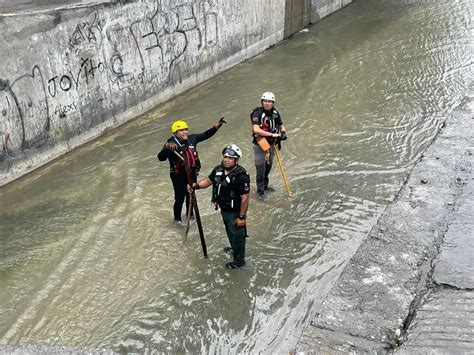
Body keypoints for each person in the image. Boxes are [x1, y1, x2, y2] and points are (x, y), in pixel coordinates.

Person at [191, 144, 250, 269]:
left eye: (230, 158)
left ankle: (239, 261)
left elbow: (245, 198)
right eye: (225, 157)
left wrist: (241, 217)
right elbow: (208, 181)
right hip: (224, 209)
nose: (226, 160)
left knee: (238, 235)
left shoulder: (241, 176)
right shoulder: (218, 169)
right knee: (230, 231)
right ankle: (234, 248)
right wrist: (196, 186)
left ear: (236, 160)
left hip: (236, 212)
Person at [158, 118, 225, 225]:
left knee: (191, 194)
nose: (185, 132)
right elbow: (160, 158)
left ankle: (191, 215)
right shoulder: (171, 143)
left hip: (192, 173)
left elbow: (205, 135)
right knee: (180, 198)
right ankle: (177, 219)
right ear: (175, 133)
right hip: (178, 175)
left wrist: (216, 127)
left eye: (186, 129)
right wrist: (166, 148)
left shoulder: (192, 139)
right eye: (181, 130)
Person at [250, 91, 287, 199]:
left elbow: (281, 125)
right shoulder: (257, 113)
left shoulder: (275, 113)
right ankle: (260, 191)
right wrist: (273, 134)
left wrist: (283, 133)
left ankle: (265, 186)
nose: (267, 103)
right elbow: (256, 129)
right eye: (265, 101)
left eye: (269, 102)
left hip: (272, 144)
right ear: (262, 102)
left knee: (268, 167)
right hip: (260, 144)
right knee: (260, 167)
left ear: (273, 103)